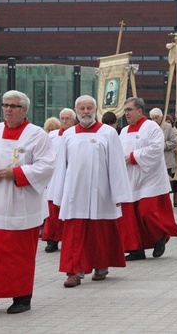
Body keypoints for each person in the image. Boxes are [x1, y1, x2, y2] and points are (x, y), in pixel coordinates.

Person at [0, 90, 55, 316]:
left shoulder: (37, 135)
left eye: (13, 106)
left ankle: (22, 297)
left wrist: (15, 173)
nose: (8, 109)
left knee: (19, 256)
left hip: (22, 206)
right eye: (5, 105)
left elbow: (46, 166)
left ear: (24, 110)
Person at [51, 96, 132, 287]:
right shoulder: (69, 134)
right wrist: (58, 193)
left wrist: (119, 194)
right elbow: (61, 165)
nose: (86, 112)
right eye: (82, 108)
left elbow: (116, 165)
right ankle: (74, 272)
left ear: (96, 110)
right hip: (74, 192)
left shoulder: (108, 133)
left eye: (89, 108)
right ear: (76, 111)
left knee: (100, 232)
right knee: (74, 234)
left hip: (101, 192)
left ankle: (101, 266)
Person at [118, 97, 177, 260]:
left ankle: (159, 237)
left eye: (129, 110)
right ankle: (136, 249)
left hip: (149, 178)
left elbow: (156, 148)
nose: (126, 113)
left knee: (147, 212)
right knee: (131, 217)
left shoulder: (151, 127)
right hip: (131, 178)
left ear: (139, 111)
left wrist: (133, 157)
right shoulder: (124, 131)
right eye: (125, 110)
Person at [42, 108, 77, 253]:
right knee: (53, 211)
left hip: (72, 175)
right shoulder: (53, 135)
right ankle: (52, 240)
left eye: (67, 118)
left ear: (73, 121)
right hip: (55, 177)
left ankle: (68, 240)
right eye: (62, 118)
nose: (64, 121)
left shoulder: (77, 135)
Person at [149, 108, 177, 207]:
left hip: (166, 160)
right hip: (153, 161)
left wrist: (161, 146)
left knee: (167, 185)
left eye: (156, 118)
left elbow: (174, 142)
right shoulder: (149, 127)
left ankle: (166, 203)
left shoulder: (168, 127)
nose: (155, 120)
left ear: (161, 117)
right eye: (152, 118)